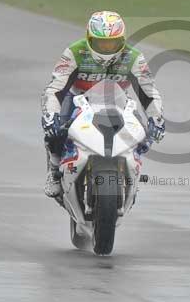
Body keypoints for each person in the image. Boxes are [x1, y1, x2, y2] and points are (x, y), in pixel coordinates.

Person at [40, 11, 165, 199]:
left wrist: (156, 118)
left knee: (144, 134)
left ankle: (133, 169)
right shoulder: (74, 52)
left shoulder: (133, 57)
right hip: (77, 99)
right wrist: (51, 114)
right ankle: (55, 170)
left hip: (118, 101)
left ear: (121, 40)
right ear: (89, 39)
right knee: (54, 132)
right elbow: (56, 86)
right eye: (101, 43)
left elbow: (149, 91)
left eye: (112, 43)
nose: (107, 48)